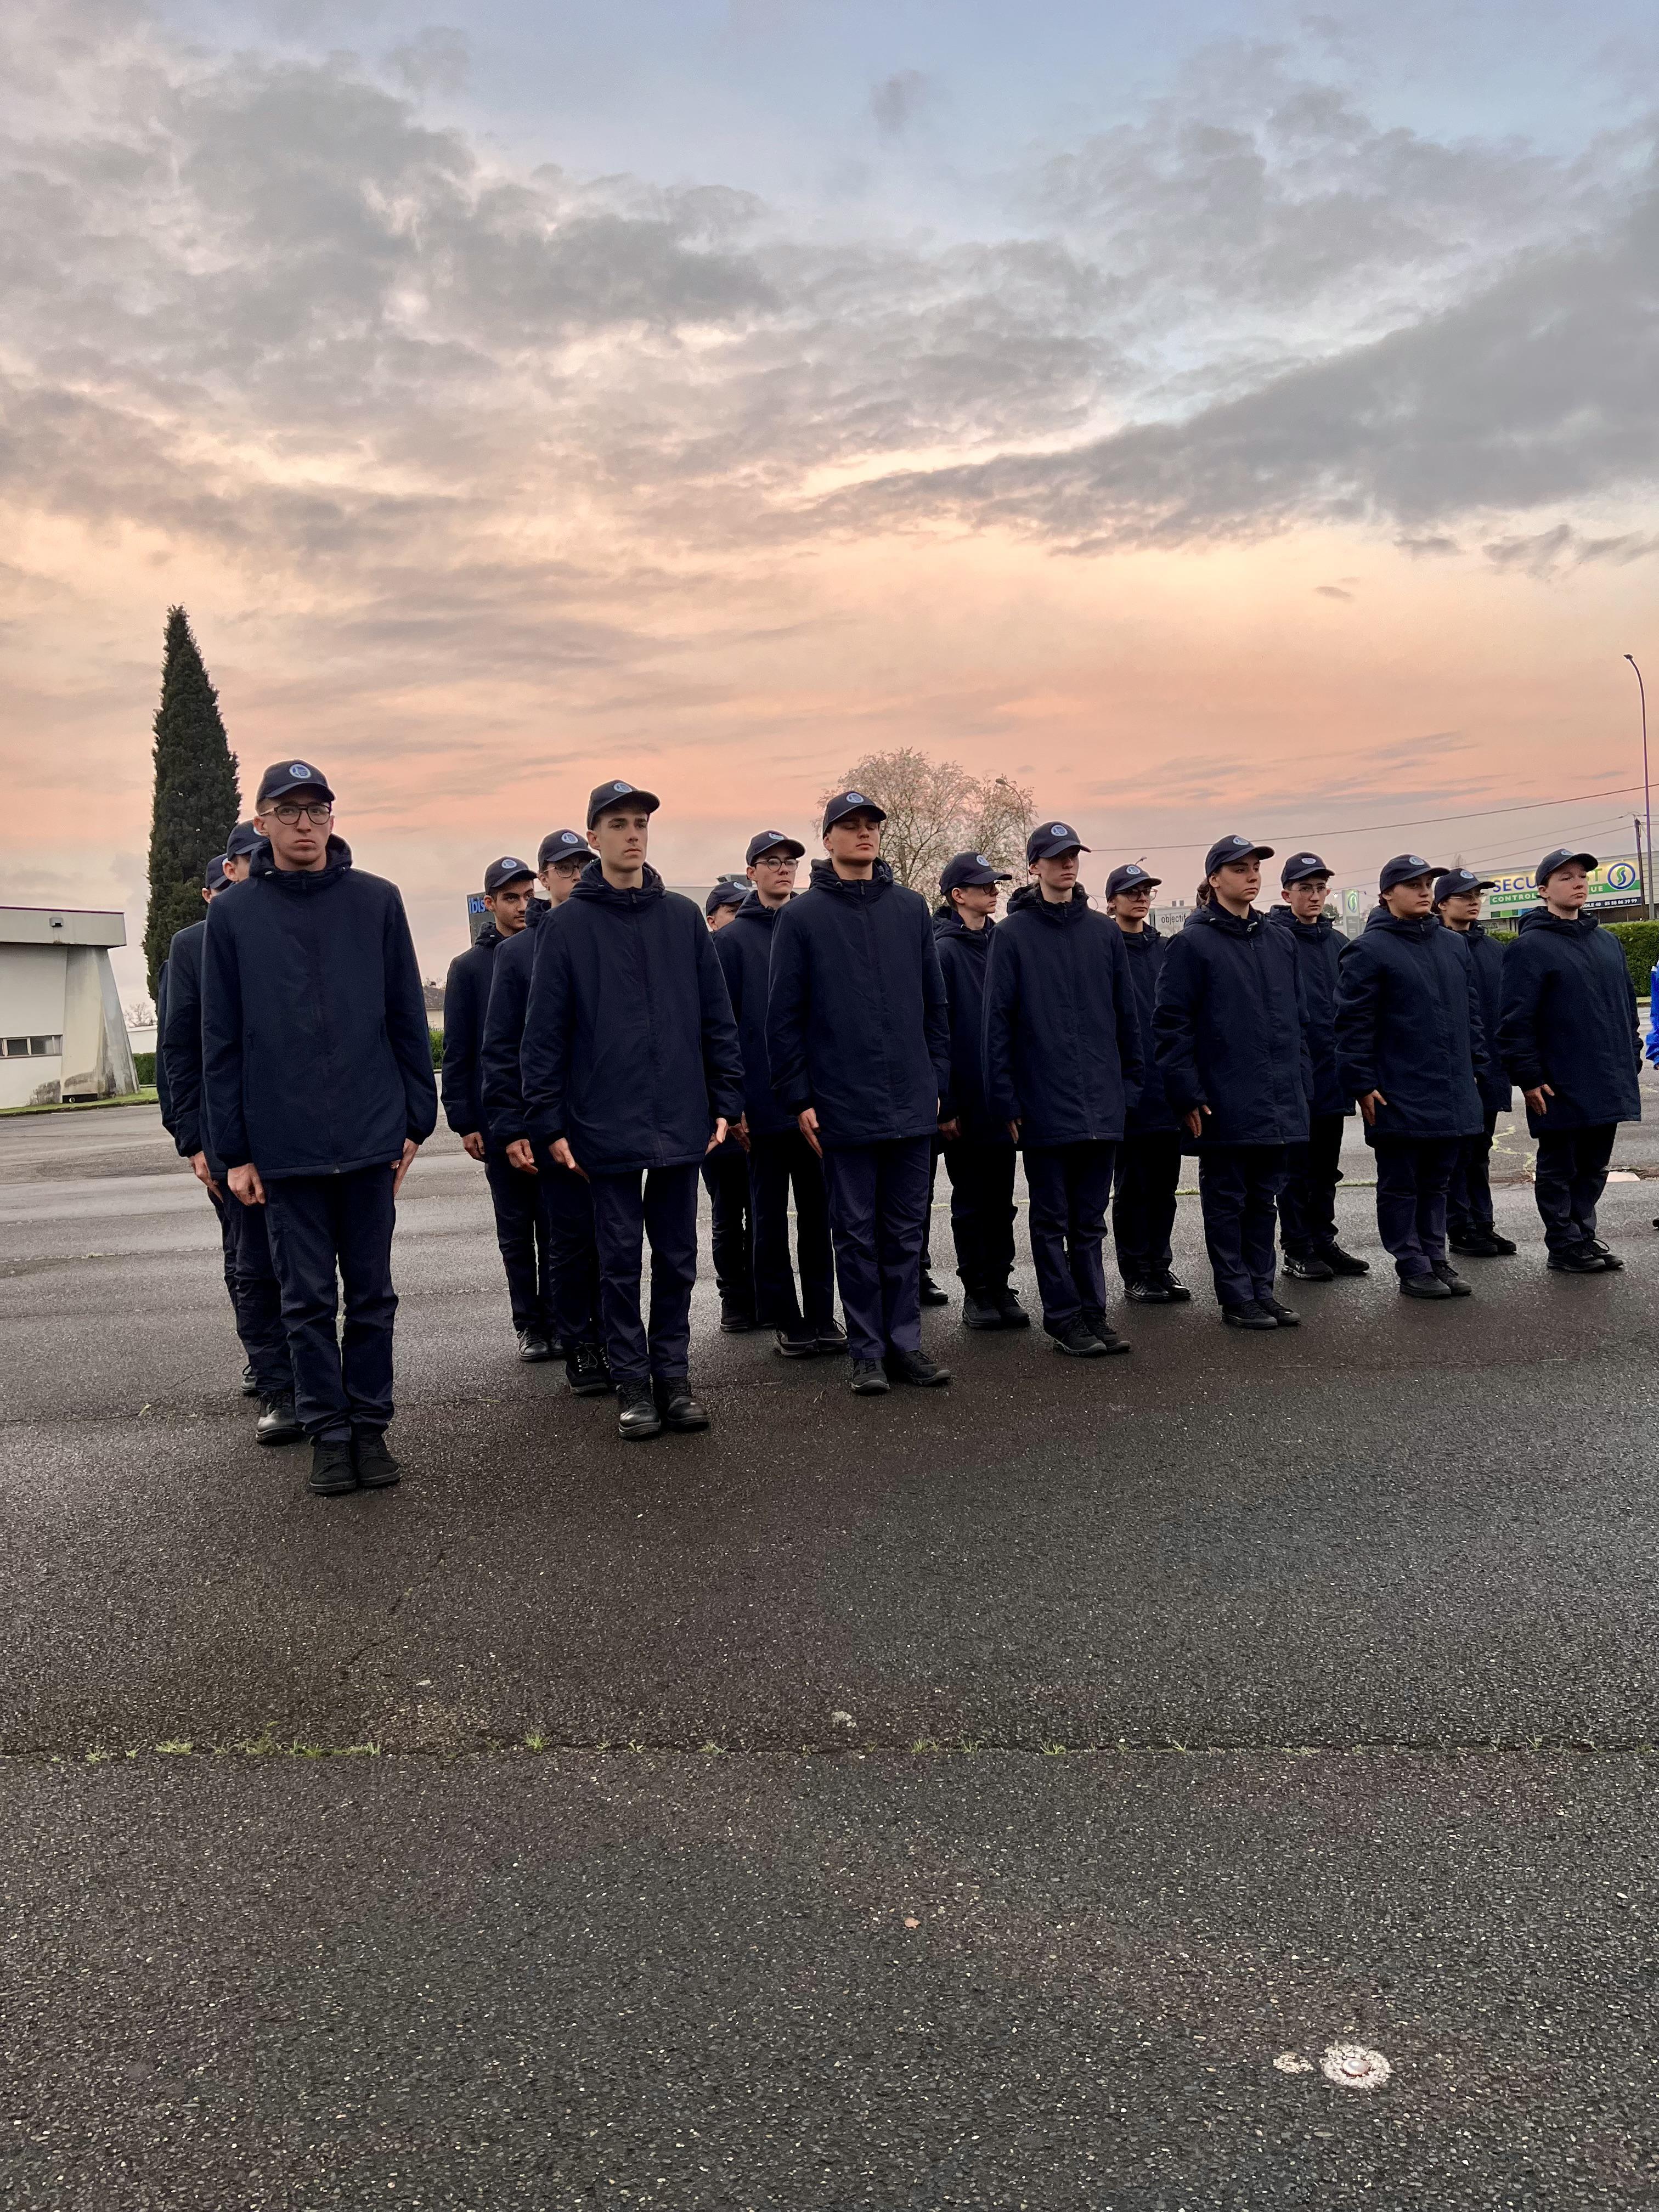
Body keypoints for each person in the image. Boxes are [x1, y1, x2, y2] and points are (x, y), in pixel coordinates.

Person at [201, 760, 437, 1495]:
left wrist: (415, 1122)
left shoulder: (377, 901)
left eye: (317, 809)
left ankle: (370, 1429)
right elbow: (221, 1042)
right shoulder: (234, 916)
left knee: (372, 1296)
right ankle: (328, 1436)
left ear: (333, 818)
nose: (305, 823)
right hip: (284, 1146)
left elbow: (406, 1016)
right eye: (289, 810)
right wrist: (234, 1152)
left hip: (370, 1137)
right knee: (304, 1301)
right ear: (262, 822)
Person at [521, 779, 743, 1440]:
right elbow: (544, 1035)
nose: (632, 834)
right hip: (602, 1120)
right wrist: (548, 1121)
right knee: (617, 1260)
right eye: (618, 824)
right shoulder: (566, 926)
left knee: (676, 1257)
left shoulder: (682, 918)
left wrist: (726, 1097)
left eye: (640, 822)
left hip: (680, 1114)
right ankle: (632, 1384)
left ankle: (673, 1377)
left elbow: (716, 1016)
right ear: (594, 837)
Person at [766, 788, 953, 1395]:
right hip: (841, 1103)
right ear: (828, 839)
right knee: (854, 1233)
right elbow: (783, 1018)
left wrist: (936, 1080)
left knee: (905, 1232)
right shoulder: (802, 917)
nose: (864, 832)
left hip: (911, 1101)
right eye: (850, 825)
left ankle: (906, 1345)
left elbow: (935, 1006)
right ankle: (867, 1351)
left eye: (872, 823)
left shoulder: (910, 908)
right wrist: (800, 1098)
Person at [985, 822, 1145, 1355]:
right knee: (1051, 1218)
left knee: (1090, 1220)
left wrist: (1130, 1086)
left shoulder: (1103, 932)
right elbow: (997, 1024)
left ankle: (1094, 1312)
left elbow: (1127, 1016)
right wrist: (1006, 1099)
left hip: (1102, 1100)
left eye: (1073, 854)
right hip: (1044, 1102)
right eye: (1055, 857)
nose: (1067, 864)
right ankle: (1063, 1317)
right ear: (1034, 867)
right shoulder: (1012, 935)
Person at [159, 849, 300, 1446]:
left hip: (293, 1132)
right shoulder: (191, 948)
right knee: (251, 1263)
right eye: (228, 875)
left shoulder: (284, 931)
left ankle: (309, 1373)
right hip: (226, 1138)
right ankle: (274, 1382)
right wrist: (192, 1139)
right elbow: (179, 1051)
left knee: (302, 1265)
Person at [1152, 834, 1312, 1330]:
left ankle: (1263, 1290)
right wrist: (1188, 1092)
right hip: (1223, 1097)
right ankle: (1236, 1295)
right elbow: (1171, 1024)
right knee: (1227, 1200)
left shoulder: (1279, 940)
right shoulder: (1192, 944)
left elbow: (1297, 1021)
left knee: (1264, 1200)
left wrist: (1300, 1083)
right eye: (1239, 869)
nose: (1252, 876)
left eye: (1255, 868)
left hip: (1278, 1096)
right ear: (1214, 879)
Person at [479, 828, 610, 1397]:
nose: (577, 876)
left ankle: (617, 1338)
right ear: (546, 879)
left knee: (616, 1240)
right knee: (569, 1240)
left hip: (609, 1121)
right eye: (566, 868)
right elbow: (501, 1049)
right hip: (552, 1122)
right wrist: (511, 1125)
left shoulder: (609, 936)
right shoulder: (515, 954)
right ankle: (579, 1342)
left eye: (584, 865)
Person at [1333, 854, 1488, 1301]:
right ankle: (1412, 1264)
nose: (1424, 892)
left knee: (1438, 1181)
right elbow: (1352, 1025)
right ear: (1387, 894)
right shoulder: (1368, 950)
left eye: (1427, 884)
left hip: (1451, 1086)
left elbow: (1470, 1014)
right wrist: (1361, 1083)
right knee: (1402, 1184)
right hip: (1397, 1089)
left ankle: (1436, 1257)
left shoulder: (1453, 945)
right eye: (1413, 885)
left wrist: (1477, 1067)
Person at [714, 830, 843, 1357]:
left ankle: (822, 1315)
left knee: (819, 1217)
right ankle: (785, 1318)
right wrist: (733, 1103)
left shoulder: (812, 928)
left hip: (814, 1103)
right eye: (771, 861)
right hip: (761, 1109)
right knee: (766, 1218)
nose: (783, 868)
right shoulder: (730, 942)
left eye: (790, 861)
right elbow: (721, 1029)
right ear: (752, 873)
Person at [1498, 847, 1642, 1273]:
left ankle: (1583, 1234)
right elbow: (1515, 1021)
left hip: (1607, 1074)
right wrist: (1528, 1076)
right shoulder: (1530, 947)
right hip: (1559, 1080)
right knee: (1561, 1166)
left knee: (1594, 1165)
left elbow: (1626, 1008)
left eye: (1582, 876)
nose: (1578, 883)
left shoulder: (1607, 942)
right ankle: (1563, 1244)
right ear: (1543, 890)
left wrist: (1630, 1056)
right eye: (1566, 877)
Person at [442, 855, 556, 1361]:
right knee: (516, 1230)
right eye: (511, 898)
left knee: (558, 1227)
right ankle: (529, 1325)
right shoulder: (470, 968)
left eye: (529, 895)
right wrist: (464, 1119)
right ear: (490, 904)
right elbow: (459, 1050)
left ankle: (561, 1318)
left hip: (548, 1115)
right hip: (496, 1119)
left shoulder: (549, 950)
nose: (522, 906)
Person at [932, 850, 1025, 1330]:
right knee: (971, 1201)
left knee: (1002, 1201)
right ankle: (978, 1291)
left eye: (995, 884)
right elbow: (939, 1031)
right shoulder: (944, 951)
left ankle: (1001, 1284)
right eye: (983, 885)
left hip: (1001, 1099)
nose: (993, 891)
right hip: (965, 1101)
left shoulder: (1004, 943)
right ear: (958, 895)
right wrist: (945, 1104)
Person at [1266, 853, 1368, 1282]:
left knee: (1326, 1169)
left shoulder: (1338, 943)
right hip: (1293, 1076)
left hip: (1332, 1074)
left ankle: (1323, 1240)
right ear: (1286, 893)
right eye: (1305, 888)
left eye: (1320, 888)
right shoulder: (1274, 940)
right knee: (1295, 1171)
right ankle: (1298, 1247)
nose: (1314, 896)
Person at [1104, 861, 1189, 1305]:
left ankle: (1160, 1264)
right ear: (1112, 902)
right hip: (1129, 1089)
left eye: (1146, 891)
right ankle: (1136, 1269)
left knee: (1164, 1188)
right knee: (1133, 1187)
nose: (1140, 898)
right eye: (1131, 892)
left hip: (1165, 1086)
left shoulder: (1165, 949)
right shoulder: (1105, 949)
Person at [1433, 867, 1517, 1258]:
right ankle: (1460, 1227)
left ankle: (1483, 1224)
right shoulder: (1436, 946)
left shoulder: (1494, 950)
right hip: (1453, 1068)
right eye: (1464, 896)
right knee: (1457, 1155)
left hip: (1490, 1065)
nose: (1473, 902)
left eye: (1477, 895)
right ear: (1442, 904)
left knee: (1480, 1151)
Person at [702, 881, 757, 1331]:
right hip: (719, 1111)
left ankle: (762, 1292)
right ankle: (734, 1299)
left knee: (761, 1212)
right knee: (728, 1210)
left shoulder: (755, 959)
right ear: (712, 919)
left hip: (758, 1109)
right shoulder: (704, 965)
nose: (740, 917)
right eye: (732, 910)